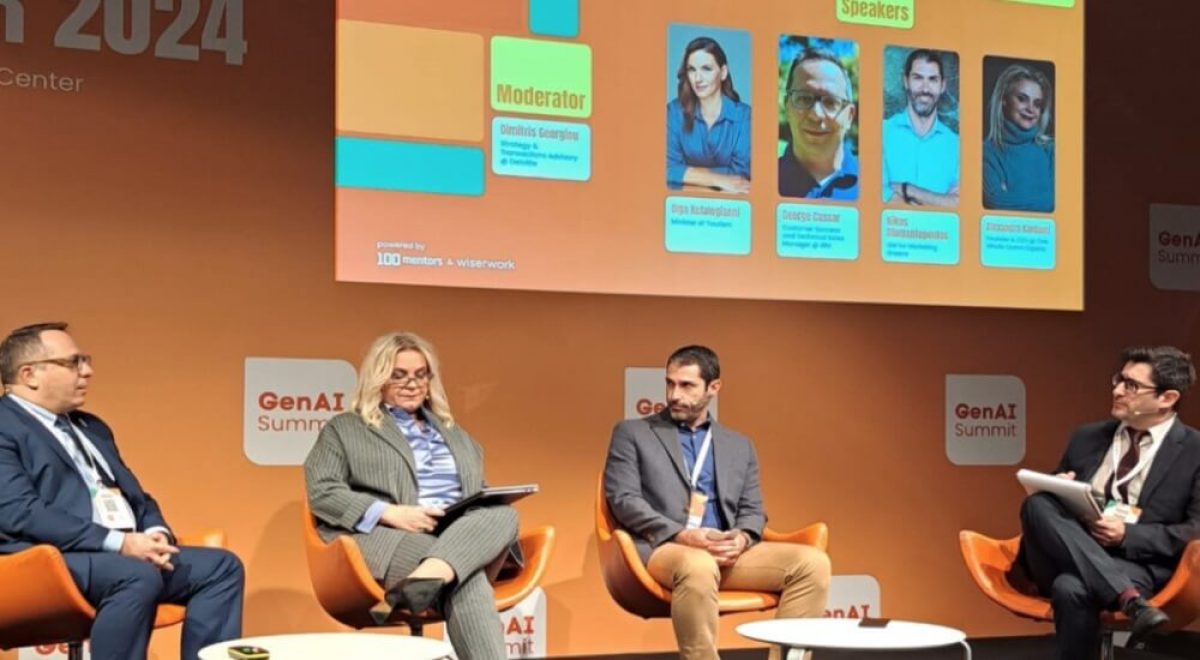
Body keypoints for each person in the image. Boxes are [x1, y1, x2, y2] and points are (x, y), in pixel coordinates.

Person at [0, 323, 244, 660]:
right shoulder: (5, 425)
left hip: (119, 555)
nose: (87, 371)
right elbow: (20, 512)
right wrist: (120, 543)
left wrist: (156, 533)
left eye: (85, 361)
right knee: (135, 576)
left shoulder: (92, 427)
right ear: (29, 375)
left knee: (221, 568)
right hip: (41, 560)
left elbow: (137, 497)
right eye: (72, 363)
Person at [604, 345, 830, 660]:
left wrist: (742, 538)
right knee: (699, 565)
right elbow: (623, 499)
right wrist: (683, 535)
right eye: (670, 383)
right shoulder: (633, 433)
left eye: (687, 385)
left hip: (724, 552)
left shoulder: (739, 446)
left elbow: (753, 510)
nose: (674, 395)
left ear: (714, 387)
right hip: (664, 547)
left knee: (813, 564)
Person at [305, 331, 518, 660]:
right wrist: (391, 513)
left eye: (420, 375)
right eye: (399, 375)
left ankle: (429, 574)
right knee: (468, 580)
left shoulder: (455, 435)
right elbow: (322, 491)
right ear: (378, 379)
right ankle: (437, 571)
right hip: (390, 536)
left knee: (505, 514)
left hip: (454, 533)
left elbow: (476, 490)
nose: (412, 384)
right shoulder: (345, 429)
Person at [1018, 346, 1200, 660]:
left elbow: (1195, 529)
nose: (1117, 391)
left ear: (1167, 398)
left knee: (1071, 588)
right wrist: (1061, 487)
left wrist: (1128, 535)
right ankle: (1129, 600)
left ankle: (1124, 594)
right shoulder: (1087, 437)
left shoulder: (1195, 451)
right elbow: (1053, 511)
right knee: (1038, 504)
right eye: (1119, 380)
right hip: (1065, 553)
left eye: (1131, 386)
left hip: (1137, 564)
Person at [666, 36, 751, 193]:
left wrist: (688, 175)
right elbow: (667, 170)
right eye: (692, 69)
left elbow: (741, 177)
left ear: (723, 72)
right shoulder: (673, 112)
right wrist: (718, 180)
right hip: (683, 203)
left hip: (731, 205)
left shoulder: (745, 116)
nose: (698, 79)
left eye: (706, 69)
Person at [881, 49, 960, 206]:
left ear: (942, 86)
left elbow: (958, 204)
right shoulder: (881, 132)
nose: (925, 89)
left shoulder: (957, 145)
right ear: (906, 81)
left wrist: (907, 190)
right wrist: (938, 201)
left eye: (932, 80)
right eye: (918, 78)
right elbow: (876, 196)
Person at [778, 48, 859, 200]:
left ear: (849, 116)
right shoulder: (756, 181)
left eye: (830, 102)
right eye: (803, 99)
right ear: (787, 107)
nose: (816, 115)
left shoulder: (879, 187)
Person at [983, 63, 1055, 212]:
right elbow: (995, 201)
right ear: (1004, 100)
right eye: (1022, 99)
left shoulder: (1050, 150)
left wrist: (1011, 196)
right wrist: (1046, 199)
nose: (1030, 109)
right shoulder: (987, 152)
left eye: (1037, 104)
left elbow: (1062, 201)